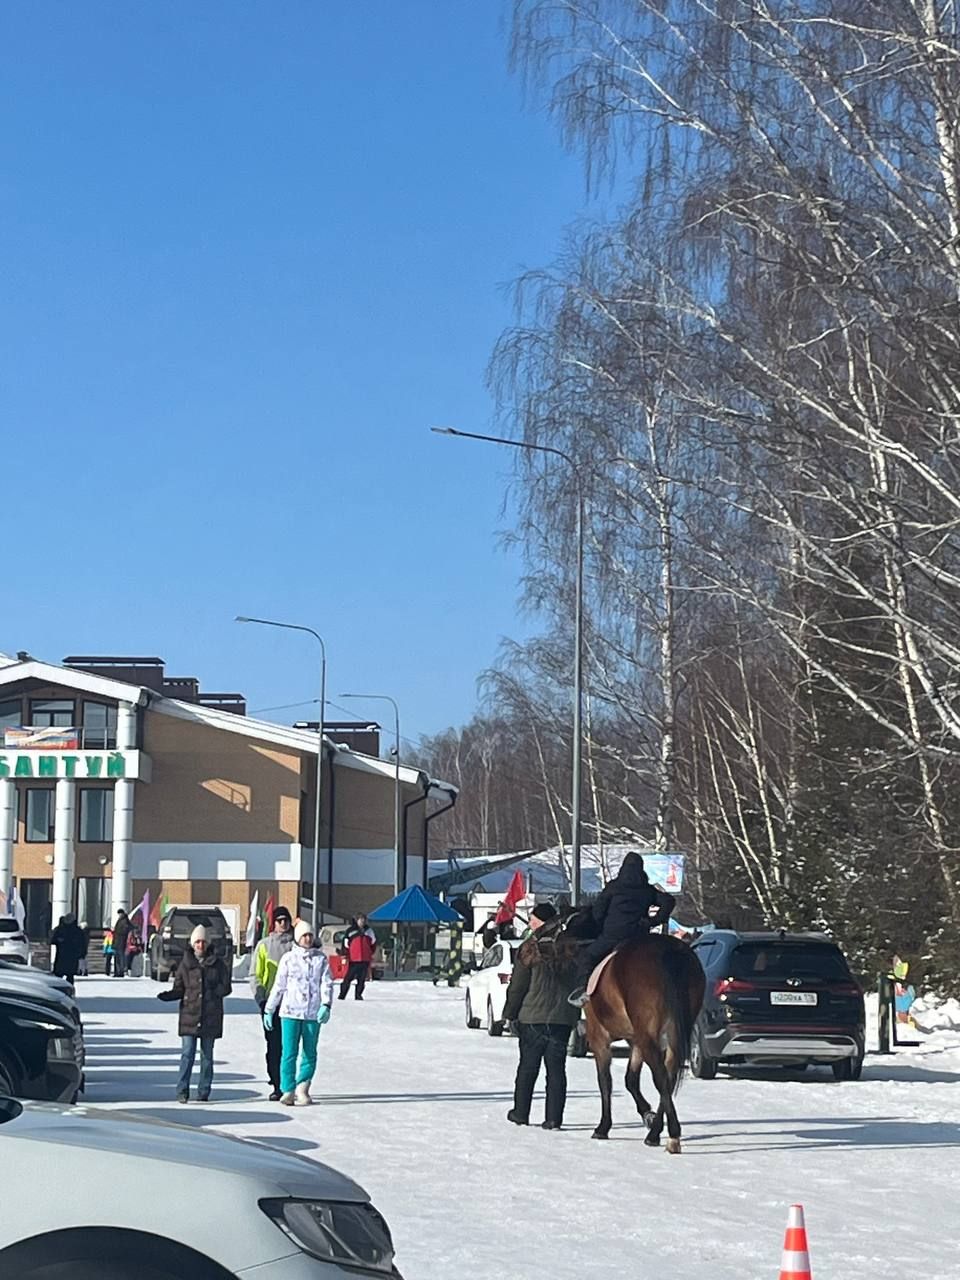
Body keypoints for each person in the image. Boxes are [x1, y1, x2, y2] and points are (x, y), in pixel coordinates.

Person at [502, 903, 579, 1130]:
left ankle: (520, 1113)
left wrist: (510, 1014)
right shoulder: (569, 947)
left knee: (527, 1067)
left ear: (542, 922)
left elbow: (518, 987)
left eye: (533, 920)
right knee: (556, 1070)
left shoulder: (530, 948)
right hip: (562, 1018)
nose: (530, 924)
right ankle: (553, 1118)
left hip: (532, 1017)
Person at [568, 852, 675, 1006]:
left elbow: (598, 911)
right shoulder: (647, 890)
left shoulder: (613, 887)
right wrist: (653, 921)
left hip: (612, 936)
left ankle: (583, 991)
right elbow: (669, 901)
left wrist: (600, 926)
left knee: (587, 956)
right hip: (638, 937)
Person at [157, 925, 232, 1103]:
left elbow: (226, 987)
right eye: (197, 941)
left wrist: (214, 992)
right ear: (192, 944)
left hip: (210, 1016)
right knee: (187, 1054)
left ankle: (204, 1091)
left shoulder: (217, 963)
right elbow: (179, 988)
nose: (200, 945)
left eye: (203, 941)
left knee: (207, 1057)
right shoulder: (185, 964)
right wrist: (169, 996)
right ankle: (182, 1090)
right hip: (189, 1016)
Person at [264, 920, 333, 1106]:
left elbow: (326, 983)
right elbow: (279, 986)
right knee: (289, 1052)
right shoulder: (288, 958)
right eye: (304, 935)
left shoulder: (320, 959)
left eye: (310, 935)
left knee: (309, 1052)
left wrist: (326, 1005)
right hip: (290, 1012)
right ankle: (288, 1089)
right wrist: (269, 1009)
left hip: (312, 1014)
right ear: (297, 937)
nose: (308, 939)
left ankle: (303, 1087)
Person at [249, 905, 294, 1100]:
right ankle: (277, 1083)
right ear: (273, 923)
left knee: (290, 1047)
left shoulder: (297, 945)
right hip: (270, 1004)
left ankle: (288, 1084)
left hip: (292, 1004)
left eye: (286, 920)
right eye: (279, 920)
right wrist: (260, 998)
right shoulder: (264, 945)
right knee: (274, 1046)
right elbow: (255, 974)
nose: (283, 924)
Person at [339, 914, 377, 1001]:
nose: (362, 921)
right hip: (354, 959)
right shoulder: (350, 931)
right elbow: (345, 945)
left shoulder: (369, 931)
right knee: (348, 978)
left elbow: (373, 943)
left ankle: (358, 995)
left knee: (361, 979)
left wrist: (370, 953)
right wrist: (345, 955)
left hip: (365, 959)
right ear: (356, 920)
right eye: (360, 920)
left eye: (364, 920)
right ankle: (342, 995)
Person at [50, 913, 85, 983]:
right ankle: (68, 990)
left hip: (63, 956)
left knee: (60, 976)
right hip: (70, 957)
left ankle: (60, 990)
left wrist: (59, 940)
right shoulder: (77, 931)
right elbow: (82, 944)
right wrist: (81, 955)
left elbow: (53, 940)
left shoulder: (60, 929)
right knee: (69, 976)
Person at [112, 909, 131, 978]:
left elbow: (125, 930)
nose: (119, 915)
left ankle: (120, 971)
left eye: (120, 914)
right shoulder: (120, 921)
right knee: (117, 958)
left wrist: (117, 933)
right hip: (117, 942)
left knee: (120, 957)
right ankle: (117, 971)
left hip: (121, 941)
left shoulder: (124, 921)